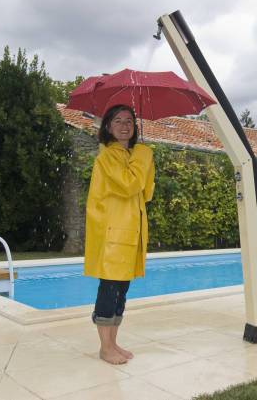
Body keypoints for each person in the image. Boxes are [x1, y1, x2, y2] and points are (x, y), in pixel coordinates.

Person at [83, 104, 155, 365]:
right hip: (113, 232)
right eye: (118, 120)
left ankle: (113, 342)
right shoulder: (108, 157)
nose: (125, 125)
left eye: (129, 121)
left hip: (129, 232)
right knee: (110, 288)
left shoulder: (130, 156)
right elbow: (128, 185)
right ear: (108, 127)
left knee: (121, 290)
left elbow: (146, 192)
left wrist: (142, 158)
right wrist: (144, 156)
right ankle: (105, 347)